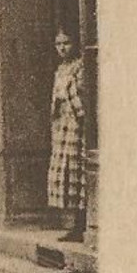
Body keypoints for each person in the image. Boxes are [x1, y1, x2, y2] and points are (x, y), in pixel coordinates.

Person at [48, 31, 90, 243]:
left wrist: (79, 116)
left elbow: (80, 96)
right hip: (63, 124)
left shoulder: (81, 67)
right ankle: (73, 224)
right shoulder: (61, 69)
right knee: (65, 173)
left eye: (66, 43)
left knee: (77, 171)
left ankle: (81, 224)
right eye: (58, 44)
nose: (62, 48)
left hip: (76, 124)